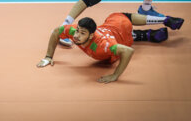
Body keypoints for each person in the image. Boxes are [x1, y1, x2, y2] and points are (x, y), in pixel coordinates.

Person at [37, 12, 184, 84]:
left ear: (90, 36)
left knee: (124, 18)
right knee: (123, 28)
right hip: (110, 29)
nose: (77, 36)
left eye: (82, 33)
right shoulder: (73, 30)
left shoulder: (103, 46)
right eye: (78, 31)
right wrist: (48, 56)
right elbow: (56, 31)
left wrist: (115, 76)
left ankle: (164, 21)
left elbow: (128, 51)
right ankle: (150, 35)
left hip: (119, 26)